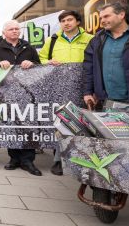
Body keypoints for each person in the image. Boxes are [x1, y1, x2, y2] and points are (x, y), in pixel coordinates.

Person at [38, 10, 94, 175]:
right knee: (61, 122)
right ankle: (58, 159)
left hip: (83, 88)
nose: (66, 23)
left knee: (83, 124)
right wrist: (48, 62)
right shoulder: (53, 40)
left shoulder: (90, 39)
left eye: (69, 20)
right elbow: (40, 58)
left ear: (77, 22)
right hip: (60, 88)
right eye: (63, 21)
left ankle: (81, 160)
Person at [0, 20, 42, 176]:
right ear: (4, 32)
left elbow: (40, 66)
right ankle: (14, 158)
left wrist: (32, 63)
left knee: (27, 124)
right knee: (11, 124)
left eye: (17, 29)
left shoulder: (29, 48)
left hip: (26, 93)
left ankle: (28, 160)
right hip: (6, 93)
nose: (15, 31)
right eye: (11, 29)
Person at [83, 1, 129, 108]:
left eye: (106, 16)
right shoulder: (97, 40)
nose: (102, 21)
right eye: (101, 18)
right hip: (108, 103)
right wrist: (87, 92)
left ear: (121, 15)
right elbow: (88, 68)